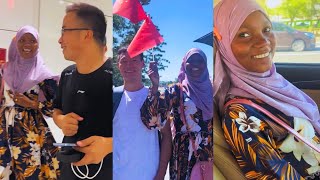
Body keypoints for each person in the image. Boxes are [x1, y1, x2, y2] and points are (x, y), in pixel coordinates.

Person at [214, 0, 320, 179]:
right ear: (224, 46)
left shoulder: (276, 85)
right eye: (244, 34)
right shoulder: (240, 115)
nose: (263, 41)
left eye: (267, 30)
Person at [52, 3, 112, 179]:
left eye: (64, 31)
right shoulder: (67, 74)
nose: (59, 40)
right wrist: (61, 120)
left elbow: (136, 131)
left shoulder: (114, 76)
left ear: (87, 34)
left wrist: (109, 145)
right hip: (69, 170)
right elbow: (57, 110)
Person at [0, 25, 60, 179]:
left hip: (29, 134)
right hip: (4, 129)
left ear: (37, 44)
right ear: (16, 43)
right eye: (22, 40)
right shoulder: (5, 69)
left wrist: (33, 104)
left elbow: (54, 109)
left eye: (32, 40)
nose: (27, 44)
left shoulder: (44, 76)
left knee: (28, 171)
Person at [113, 47, 172, 180]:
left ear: (142, 63)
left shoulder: (156, 97)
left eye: (134, 60)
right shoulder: (112, 97)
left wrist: (161, 174)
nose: (129, 65)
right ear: (118, 66)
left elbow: (167, 137)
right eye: (124, 61)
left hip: (149, 175)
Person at [163, 48, 213, 180]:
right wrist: (155, 85)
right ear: (184, 64)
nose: (195, 64)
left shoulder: (215, 89)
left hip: (210, 154)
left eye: (199, 60)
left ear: (206, 64)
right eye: (191, 60)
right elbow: (154, 119)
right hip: (184, 155)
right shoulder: (175, 91)